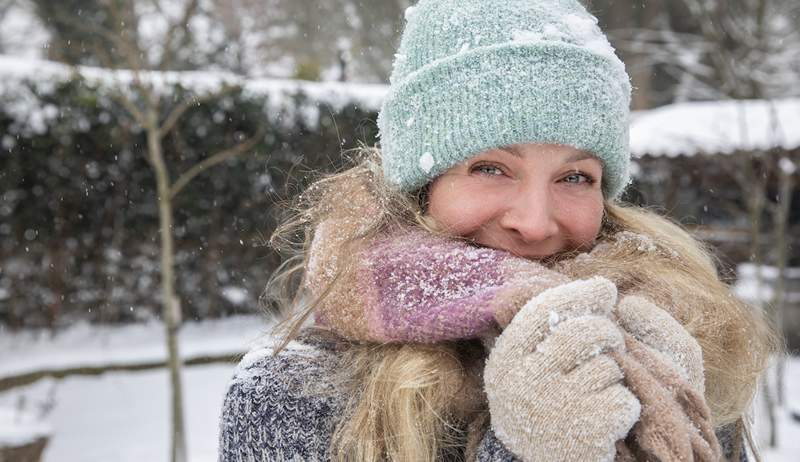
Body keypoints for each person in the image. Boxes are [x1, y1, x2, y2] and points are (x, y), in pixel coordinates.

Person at [217, 0, 779, 461]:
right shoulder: (292, 397)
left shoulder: (664, 345)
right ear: (420, 183)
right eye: (490, 168)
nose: (534, 223)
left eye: (575, 176)